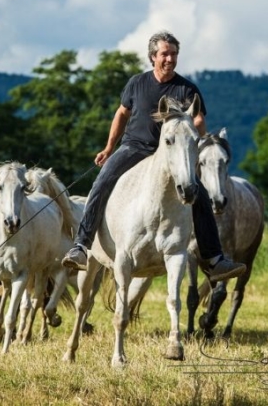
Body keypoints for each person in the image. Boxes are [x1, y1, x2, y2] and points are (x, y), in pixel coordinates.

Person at [62, 30, 246, 282]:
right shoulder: (137, 83)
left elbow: (199, 118)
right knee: (102, 181)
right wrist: (108, 147)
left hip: (171, 156)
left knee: (200, 195)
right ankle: (81, 247)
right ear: (153, 57)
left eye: (174, 54)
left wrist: (198, 135)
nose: (170, 59)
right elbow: (121, 114)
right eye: (164, 54)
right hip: (134, 147)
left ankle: (215, 260)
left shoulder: (187, 89)